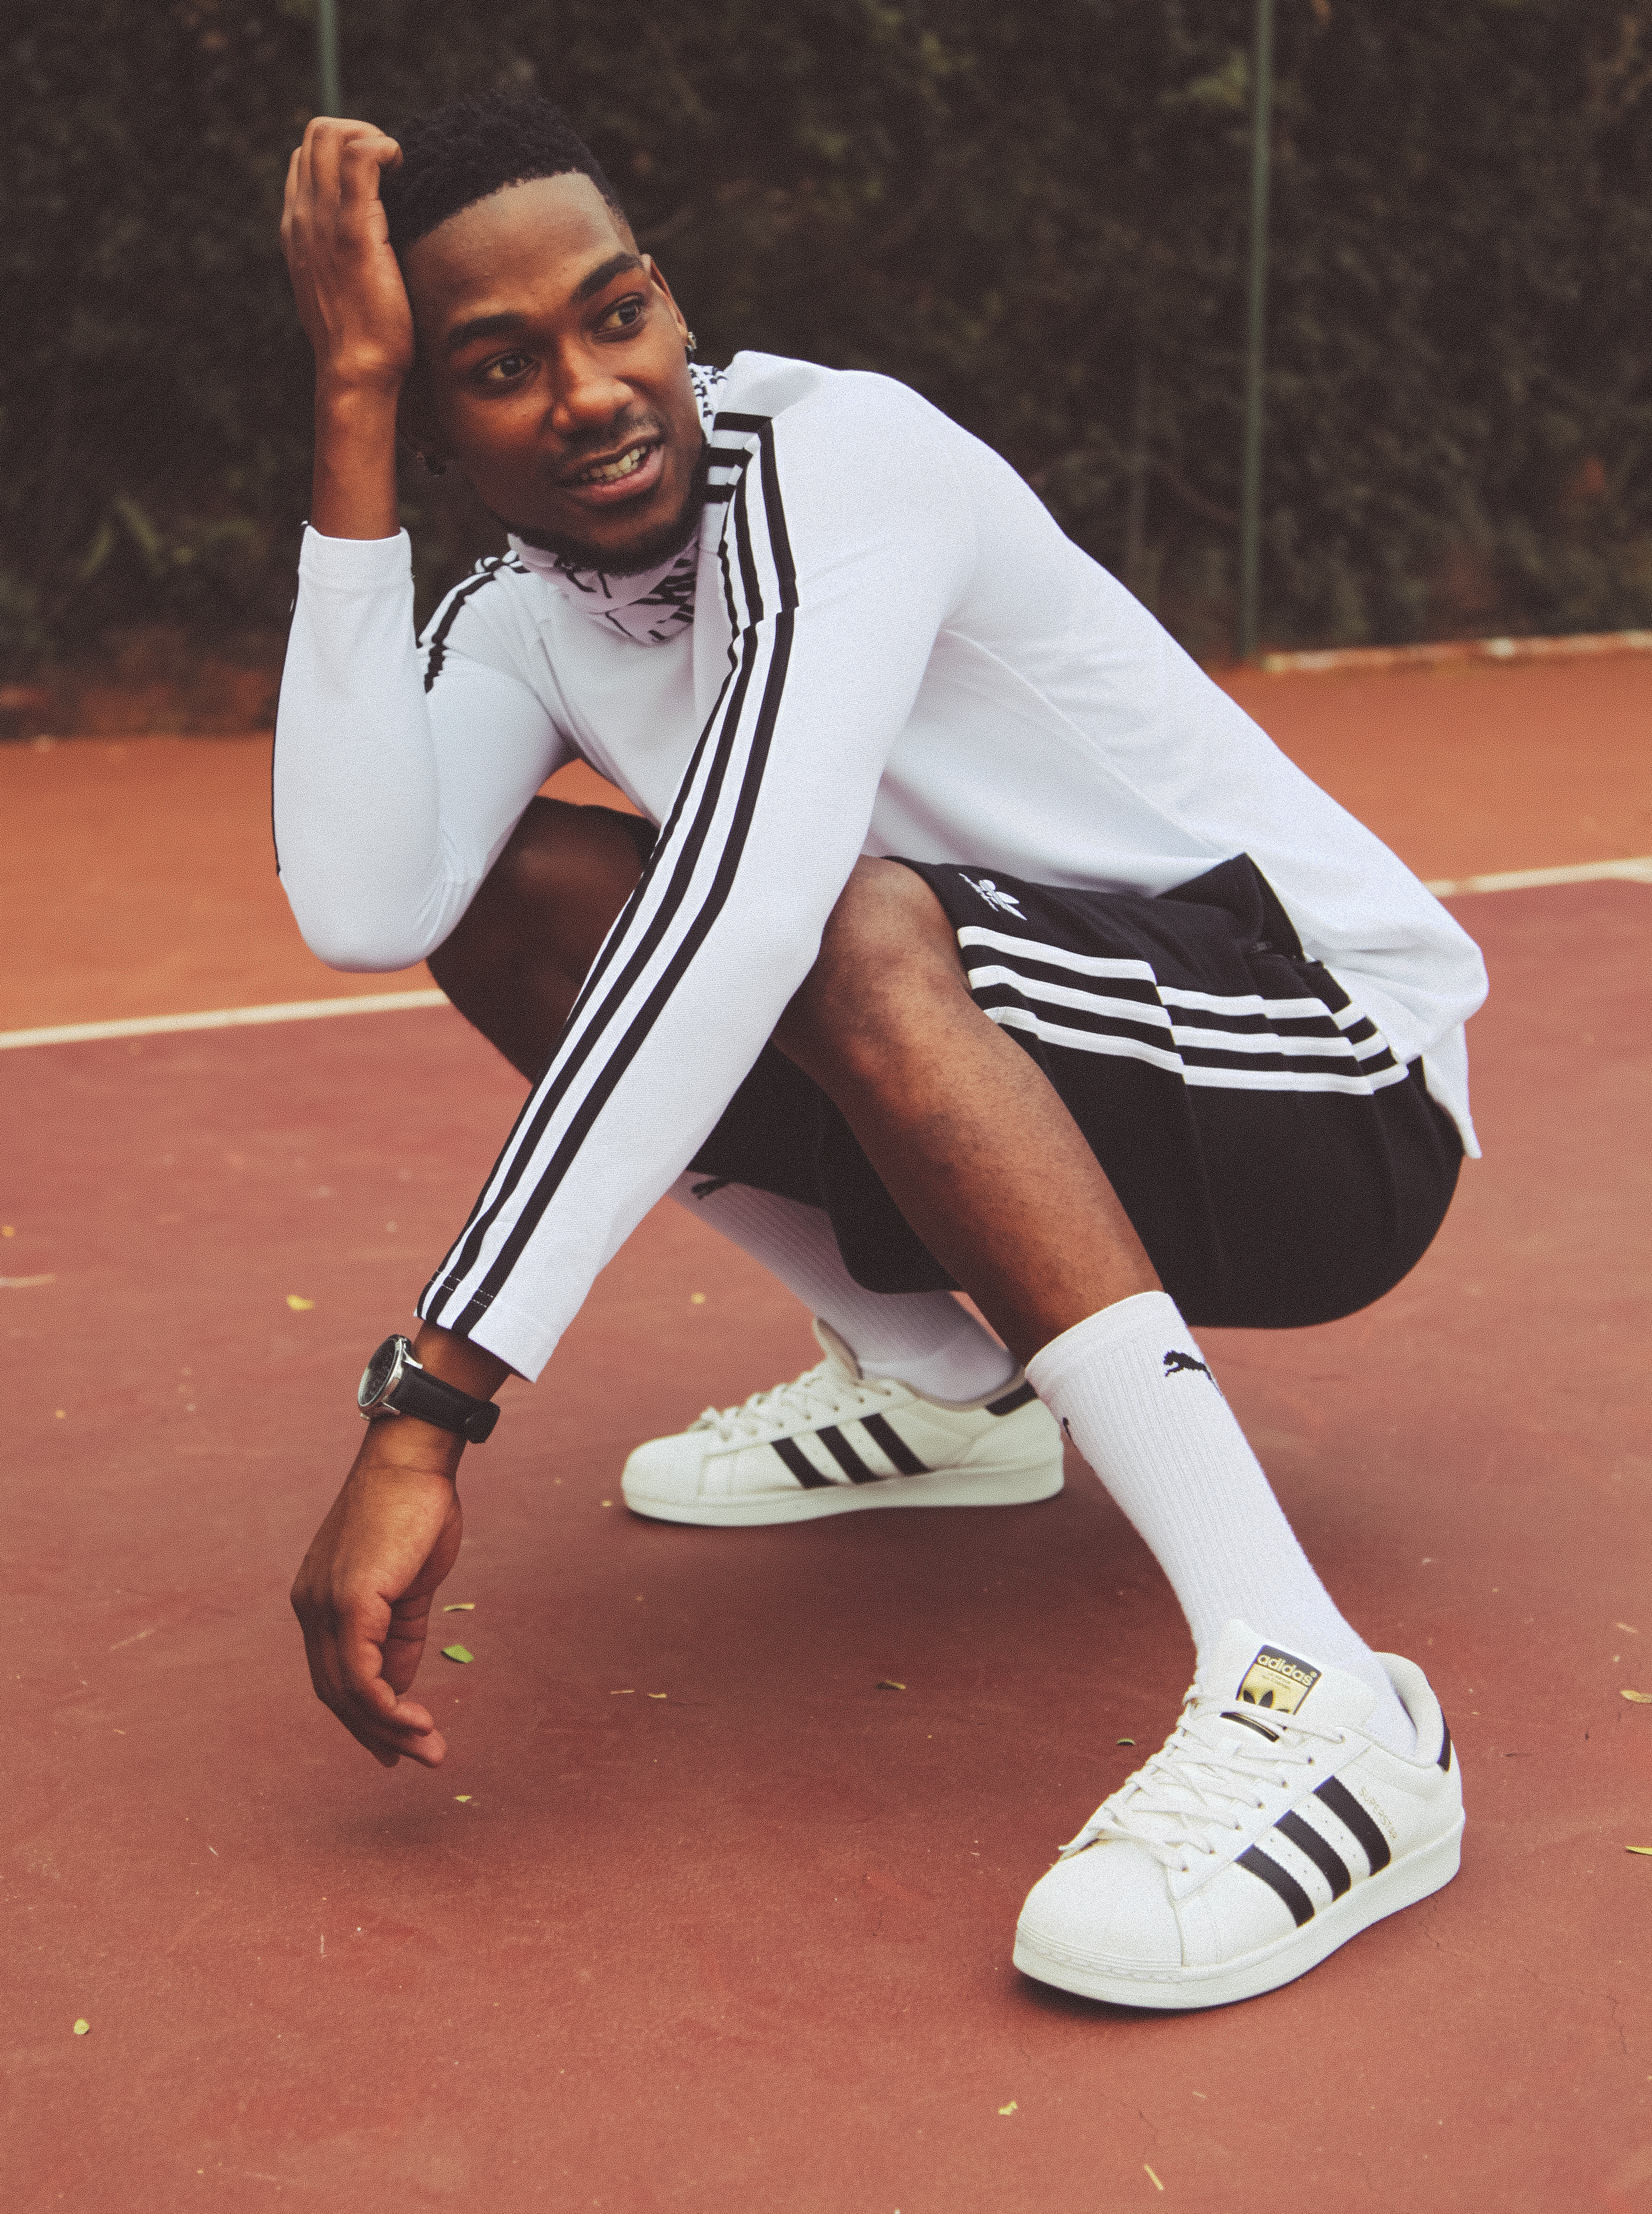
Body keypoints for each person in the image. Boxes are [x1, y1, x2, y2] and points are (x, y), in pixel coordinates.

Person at [276, 89, 1484, 2011]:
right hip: (1041, 1068)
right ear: (439, 417)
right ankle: (944, 1381)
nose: (594, 392)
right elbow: (364, 891)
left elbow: (758, 904)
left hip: (1331, 1087)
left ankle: (1313, 1686)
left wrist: (431, 1398)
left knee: (829, 920)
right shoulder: (521, 613)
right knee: (507, 896)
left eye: (619, 315)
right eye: (497, 367)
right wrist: (346, 406)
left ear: (675, 310)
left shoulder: (843, 461)